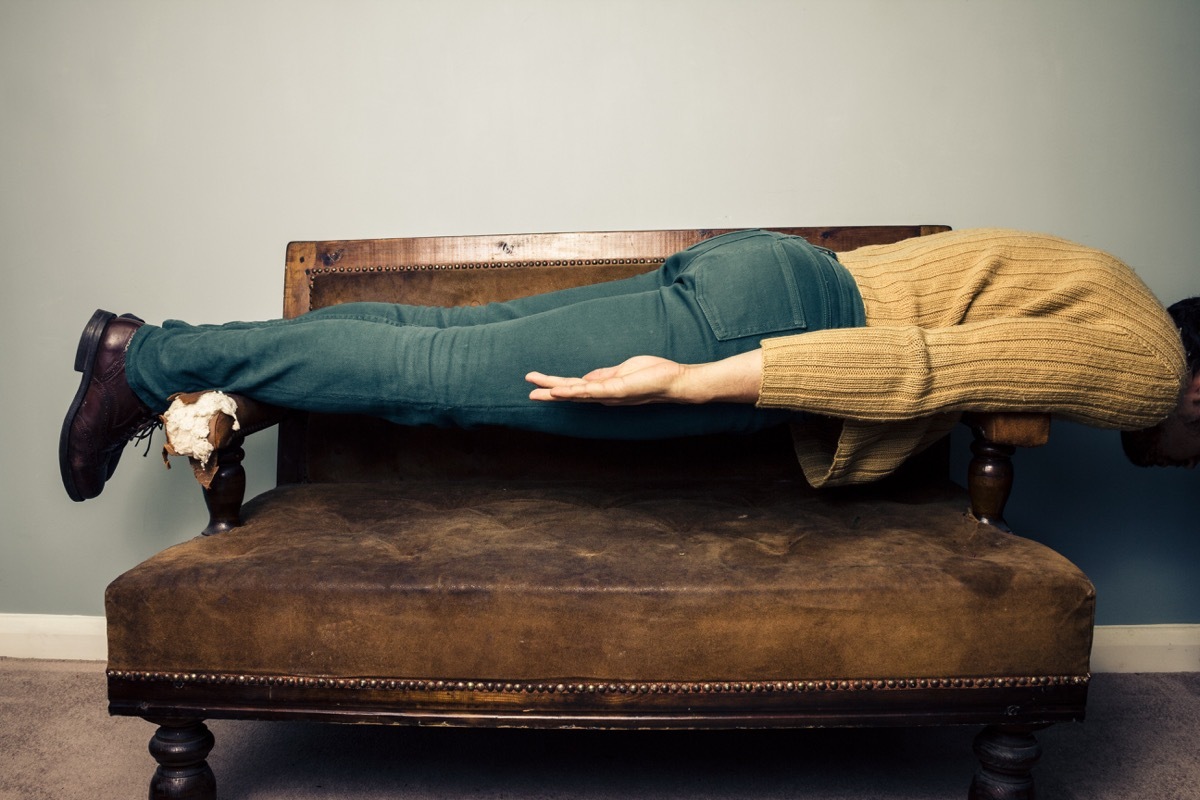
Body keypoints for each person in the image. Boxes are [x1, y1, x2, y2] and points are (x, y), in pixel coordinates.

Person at [60, 228, 1199, 502]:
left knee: (440, 346)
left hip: (777, 272)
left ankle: (150, 353)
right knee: (437, 382)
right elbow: (921, 365)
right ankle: (147, 355)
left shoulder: (1110, 280)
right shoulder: (1149, 365)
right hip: (776, 330)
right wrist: (699, 379)